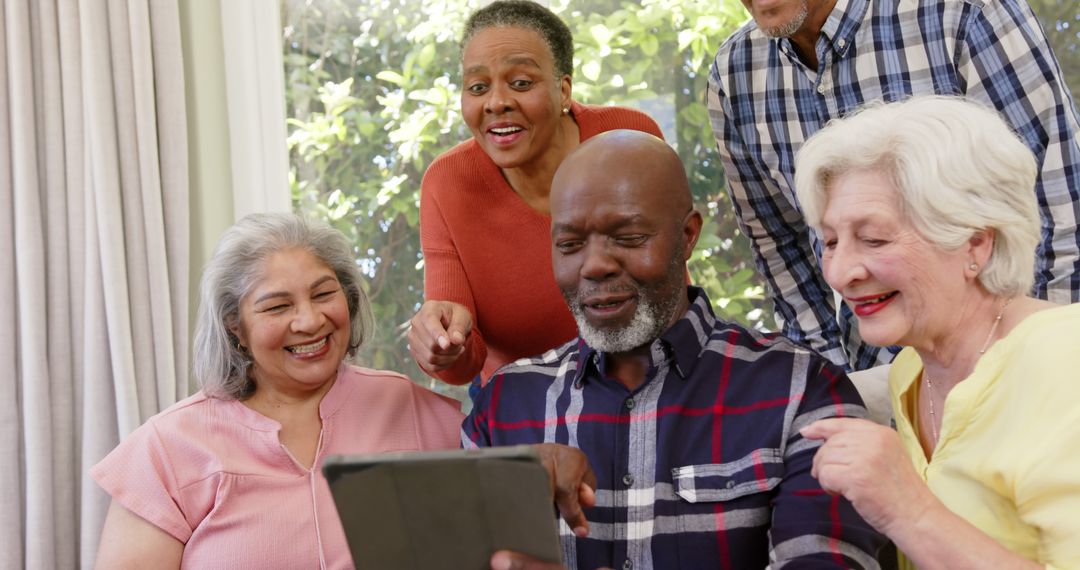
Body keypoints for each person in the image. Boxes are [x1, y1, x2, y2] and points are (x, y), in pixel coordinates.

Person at [465, 130, 886, 569]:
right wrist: (505, 492)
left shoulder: (801, 390)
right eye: (569, 245)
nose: (594, 265)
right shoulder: (504, 407)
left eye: (627, 237)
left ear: (687, 236)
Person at [707, 0, 1080, 371]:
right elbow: (779, 244)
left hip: (1015, 359)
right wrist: (828, 384)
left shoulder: (962, 12)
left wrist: (1035, 365)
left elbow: (1062, 206)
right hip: (879, 373)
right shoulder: (734, 73)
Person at [794, 96, 1080, 568]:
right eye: (829, 241)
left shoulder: (1064, 358)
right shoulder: (912, 370)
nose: (840, 272)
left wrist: (909, 510)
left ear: (976, 242)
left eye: (874, 239)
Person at [91, 213, 463, 568]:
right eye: (278, 306)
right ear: (235, 326)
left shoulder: (407, 407)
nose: (310, 321)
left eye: (323, 295)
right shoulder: (166, 447)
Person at [409, 0, 664, 388]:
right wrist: (444, 344)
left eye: (521, 83)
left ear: (564, 90)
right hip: (528, 401)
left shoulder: (629, 139)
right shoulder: (448, 183)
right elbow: (462, 366)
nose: (496, 102)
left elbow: (671, 279)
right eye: (478, 87)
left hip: (647, 374)